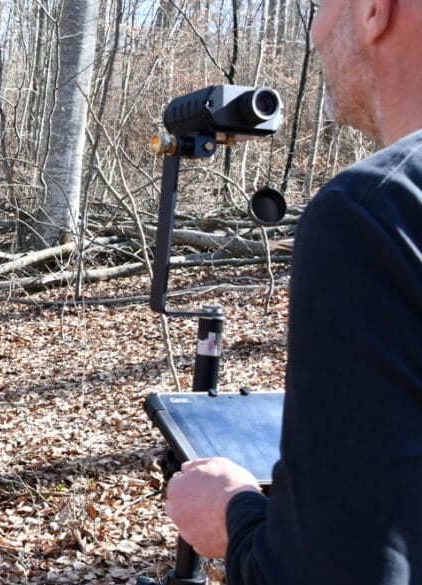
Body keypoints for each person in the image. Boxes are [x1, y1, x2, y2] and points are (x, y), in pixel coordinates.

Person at [165, 0, 422, 583]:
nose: (313, 29)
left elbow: (333, 569)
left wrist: (235, 517)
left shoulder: (376, 213)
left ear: (375, 11)